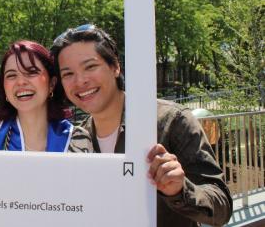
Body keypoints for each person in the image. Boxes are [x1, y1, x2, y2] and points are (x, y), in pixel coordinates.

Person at [50, 24, 232, 227]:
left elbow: (221, 208)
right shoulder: (76, 139)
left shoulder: (171, 121)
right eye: (68, 74)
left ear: (115, 67)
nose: (80, 80)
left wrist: (180, 190)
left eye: (90, 67)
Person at [0, 40, 93, 152]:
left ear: (52, 83)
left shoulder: (76, 138)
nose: (21, 82)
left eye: (31, 72)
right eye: (11, 75)